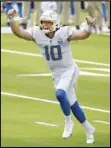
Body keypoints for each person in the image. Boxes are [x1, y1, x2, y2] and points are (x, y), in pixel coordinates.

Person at [8, 9, 95, 144]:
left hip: (69, 70)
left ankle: (68, 122)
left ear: (55, 23)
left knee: (60, 94)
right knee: (72, 103)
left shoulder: (64, 32)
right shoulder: (37, 33)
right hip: (56, 74)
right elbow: (19, 32)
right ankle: (89, 129)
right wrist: (12, 19)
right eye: (43, 22)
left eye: (48, 23)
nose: (45, 25)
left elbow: (83, 35)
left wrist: (89, 26)